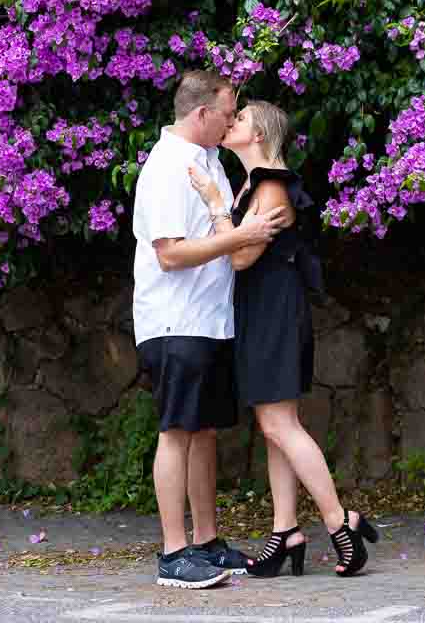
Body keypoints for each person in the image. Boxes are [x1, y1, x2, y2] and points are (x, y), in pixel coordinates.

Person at [189, 99, 378, 578]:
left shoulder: (273, 186)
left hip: (275, 312)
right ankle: (286, 531)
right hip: (258, 312)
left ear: (259, 135)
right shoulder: (253, 186)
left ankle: (341, 525)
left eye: (243, 119)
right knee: (273, 427)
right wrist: (229, 214)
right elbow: (239, 248)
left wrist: (215, 205)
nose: (233, 122)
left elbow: (239, 259)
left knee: (281, 426)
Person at [133, 71, 288, 589]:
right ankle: (173, 554)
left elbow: (227, 242)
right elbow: (170, 252)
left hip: (210, 320)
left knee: (203, 432)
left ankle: (206, 541)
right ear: (202, 114)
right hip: (174, 319)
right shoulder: (167, 167)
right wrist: (240, 235)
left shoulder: (210, 164)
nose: (231, 120)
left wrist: (237, 235)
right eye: (228, 111)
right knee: (176, 431)